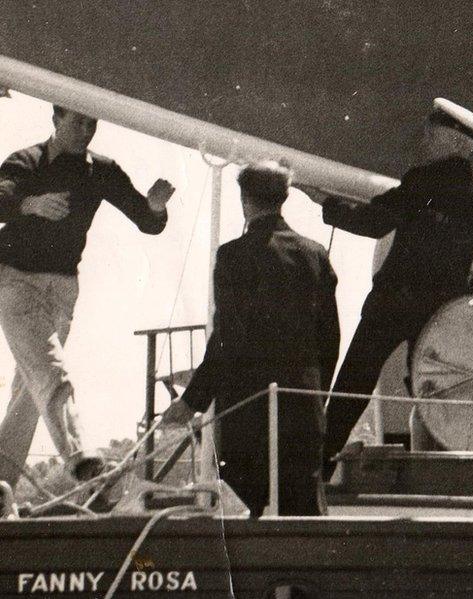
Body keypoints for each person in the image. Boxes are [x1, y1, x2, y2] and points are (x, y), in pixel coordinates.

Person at [300, 98, 473, 482]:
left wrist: (326, 204)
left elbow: (372, 221)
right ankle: (457, 467)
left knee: (356, 378)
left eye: (433, 132)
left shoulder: (421, 181)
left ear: (456, 141)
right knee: (431, 387)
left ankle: (317, 466)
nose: (426, 138)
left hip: (392, 300)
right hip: (439, 310)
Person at [0, 106, 174, 487]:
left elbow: (145, 219)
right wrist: (29, 204)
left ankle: (0, 487)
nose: (86, 130)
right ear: (56, 120)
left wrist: (156, 208)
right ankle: (84, 462)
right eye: (78, 121)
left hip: (63, 291)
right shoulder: (27, 162)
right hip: (15, 283)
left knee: (31, 391)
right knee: (50, 371)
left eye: (92, 123)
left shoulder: (101, 170)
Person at [163, 160, 340, 517]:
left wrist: (191, 402)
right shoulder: (314, 254)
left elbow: (226, 339)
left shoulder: (233, 257)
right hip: (302, 404)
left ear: (245, 199)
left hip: (249, 409)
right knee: (304, 513)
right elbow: (330, 338)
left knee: (246, 515)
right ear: (284, 198)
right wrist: (316, 390)